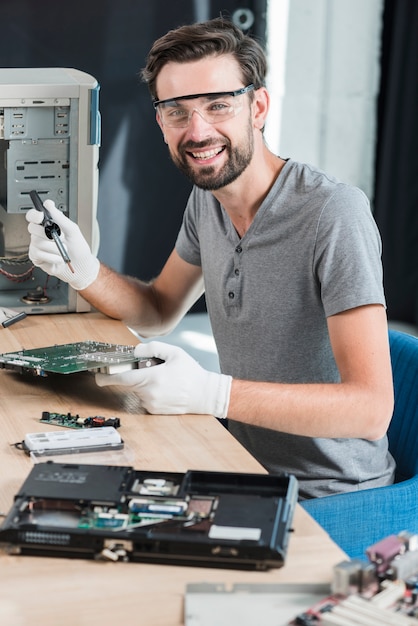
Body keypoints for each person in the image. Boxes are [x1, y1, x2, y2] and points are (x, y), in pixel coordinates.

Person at [26, 17, 395, 499]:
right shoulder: (210, 199)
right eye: (177, 112)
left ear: (257, 107)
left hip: (329, 495)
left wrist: (212, 393)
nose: (198, 131)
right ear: (160, 123)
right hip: (236, 463)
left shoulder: (332, 213)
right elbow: (158, 311)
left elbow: (370, 410)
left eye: (218, 106)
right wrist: (85, 271)